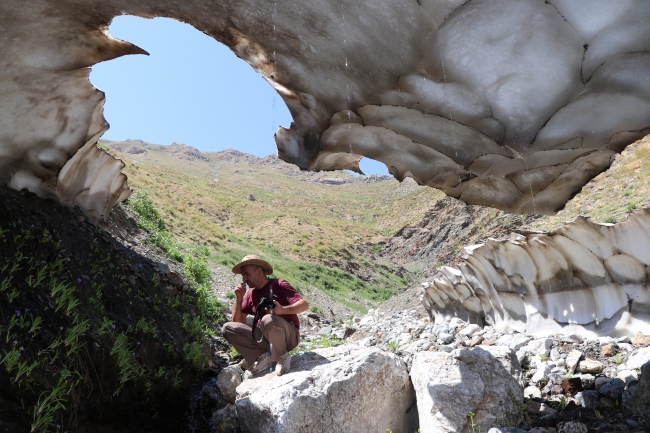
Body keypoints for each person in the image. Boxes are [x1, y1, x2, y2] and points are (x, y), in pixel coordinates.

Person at [221, 254, 308, 376]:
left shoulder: (279, 284)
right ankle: (265, 357)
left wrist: (281, 310)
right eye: (243, 276)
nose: (244, 279)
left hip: (288, 337)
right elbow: (236, 321)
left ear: (259, 271)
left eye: (247, 274)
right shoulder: (251, 294)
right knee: (228, 328)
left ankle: (283, 357)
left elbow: (304, 305)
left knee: (268, 319)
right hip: (265, 337)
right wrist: (239, 298)